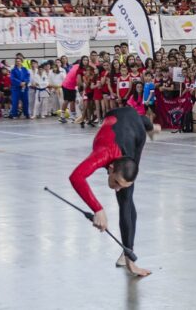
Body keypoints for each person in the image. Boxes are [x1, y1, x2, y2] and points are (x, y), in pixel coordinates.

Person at [68, 107, 160, 277]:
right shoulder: (103, 154)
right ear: (110, 168)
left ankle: (128, 255)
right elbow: (76, 177)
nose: (116, 187)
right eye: (116, 182)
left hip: (135, 132)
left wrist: (131, 262)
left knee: (126, 198)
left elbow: (136, 121)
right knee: (138, 120)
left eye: (119, 184)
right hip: (116, 115)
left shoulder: (127, 157)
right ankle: (152, 127)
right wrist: (98, 208)